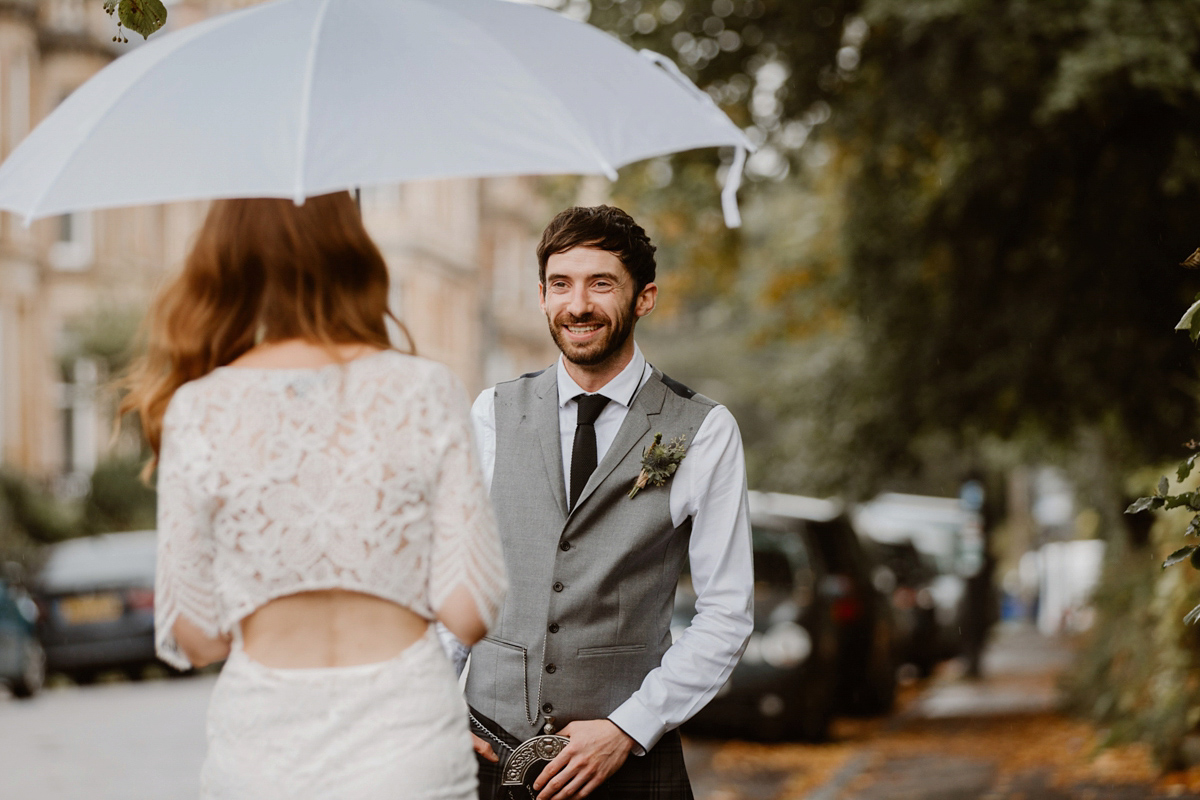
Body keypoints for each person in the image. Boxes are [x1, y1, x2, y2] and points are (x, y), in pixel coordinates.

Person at [122, 192, 507, 800]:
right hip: (406, 742)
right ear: (353, 251)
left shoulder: (200, 408)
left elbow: (194, 636)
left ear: (231, 259)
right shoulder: (426, 389)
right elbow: (470, 608)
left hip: (262, 751)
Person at [458, 205, 754, 800]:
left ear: (643, 298)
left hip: (625, 769)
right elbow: (458, 581)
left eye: (602, 284)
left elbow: (726, 614)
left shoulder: (704, 429)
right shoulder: (491, 413)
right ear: (541, 296)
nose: (579, 305)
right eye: (561, 284)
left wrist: (628, 727)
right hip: (487, 753)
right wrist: (434, 709)